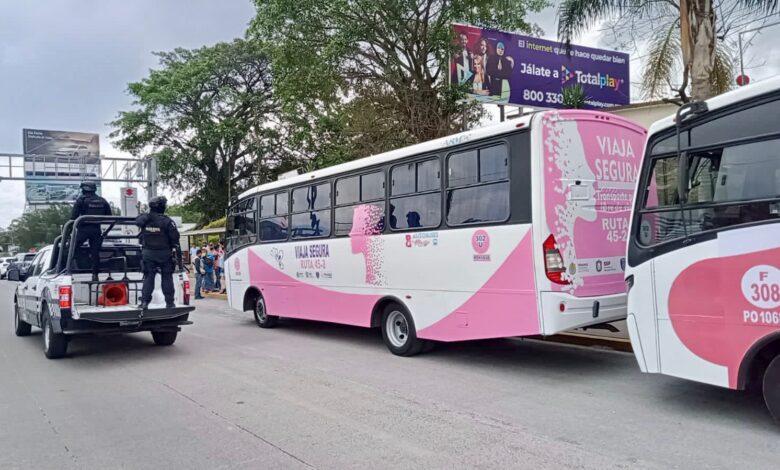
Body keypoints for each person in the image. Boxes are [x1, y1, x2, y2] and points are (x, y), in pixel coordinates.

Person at [135, 196, 180, 309]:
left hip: (148, 254)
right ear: (162, 207)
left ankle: (145, 303)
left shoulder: (145, 218)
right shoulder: (167, 221)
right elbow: (175, 238)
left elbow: (138, 221)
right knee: (167, 277)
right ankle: (170, 303)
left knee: (148, 277)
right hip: (164, 254)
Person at [71, 181, 112, 281]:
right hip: (96, 230)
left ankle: (70, 268)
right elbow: (109, 216)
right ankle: (95, 274)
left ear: (84, 189)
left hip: (83, 229)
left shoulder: (81, 200)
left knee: (72, 248)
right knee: (95, 252)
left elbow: (73, 217)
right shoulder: (102, 201)